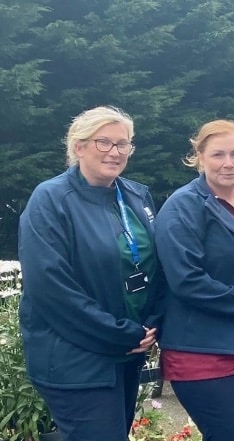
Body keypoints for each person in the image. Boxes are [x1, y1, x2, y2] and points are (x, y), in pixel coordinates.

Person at [18, 106, 162, 440]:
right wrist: (119, 333)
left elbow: (155, 265)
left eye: (123, 144)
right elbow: (50, 288)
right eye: (104, 142)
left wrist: (151, 323)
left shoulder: (137, 195)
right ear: (79, 147)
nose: (115, 152)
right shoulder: (51, 199)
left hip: (128, 350)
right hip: (75, 357)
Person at [154, 120, 234, 440]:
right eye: (218, 155)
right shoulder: (183, 207)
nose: (228, 163)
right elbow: (186, 279)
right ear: (199, 157)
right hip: (204, 352)